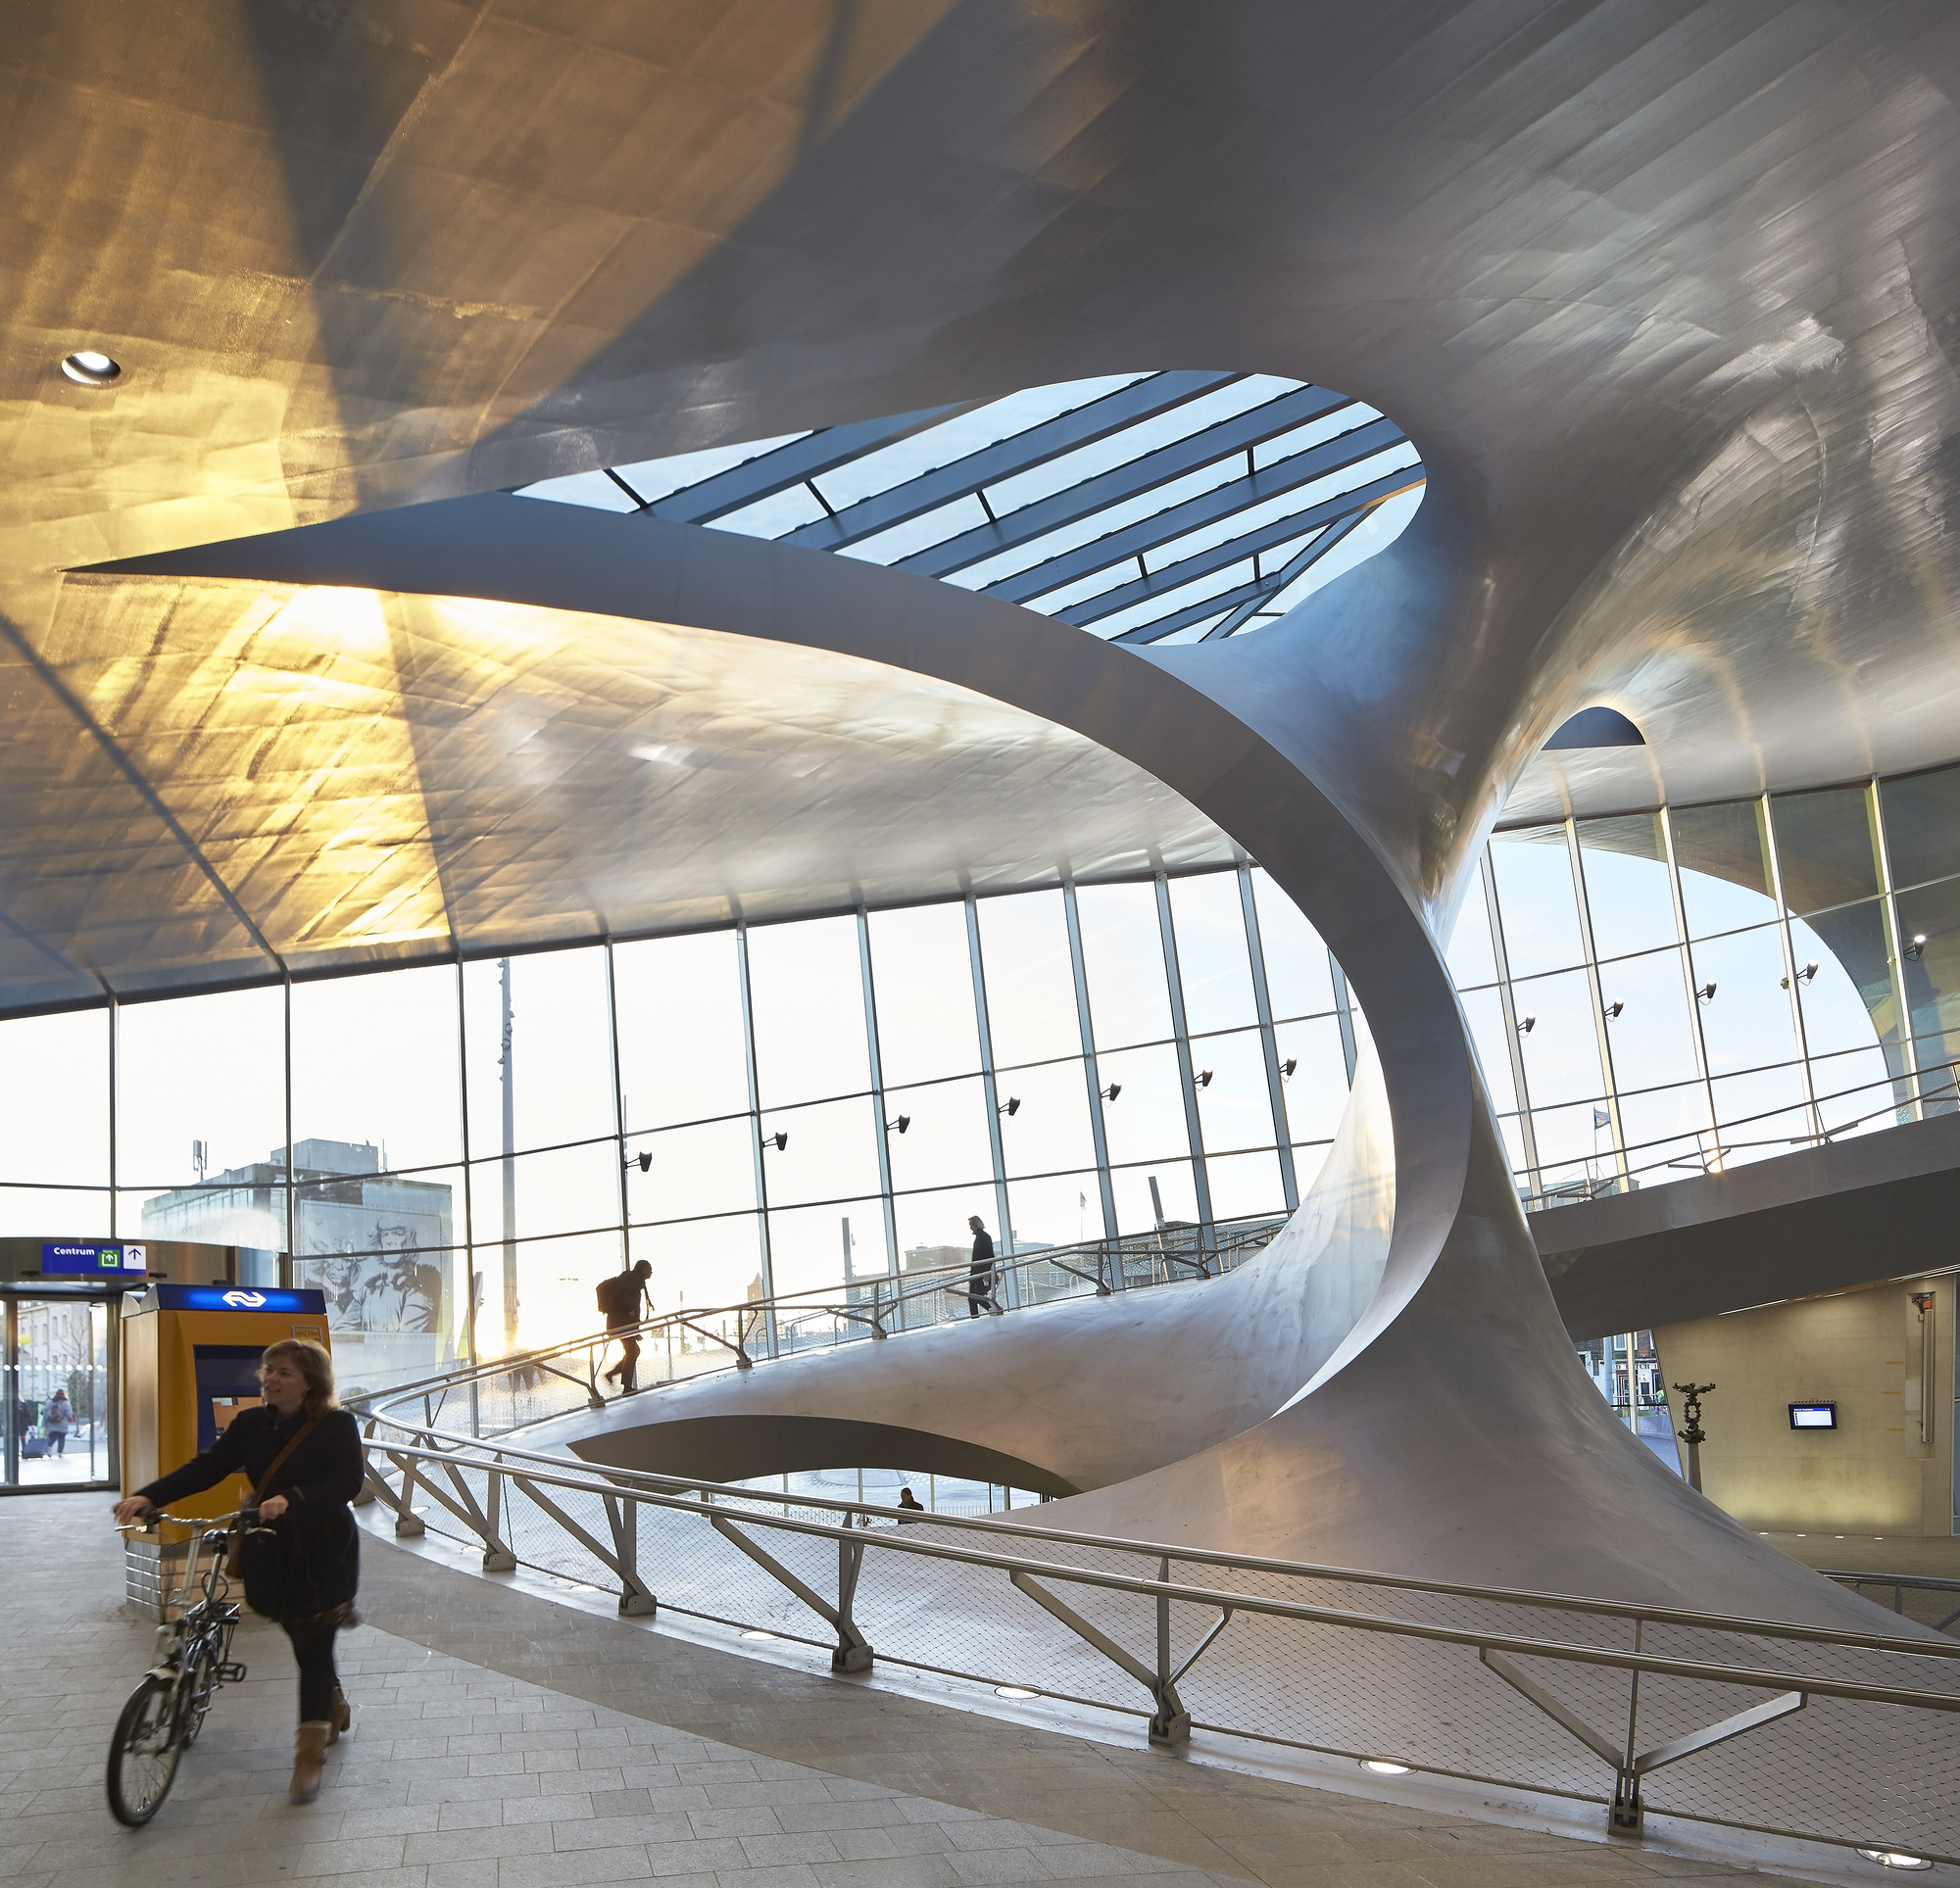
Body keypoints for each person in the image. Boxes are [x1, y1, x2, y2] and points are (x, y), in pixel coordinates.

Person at [113, 1339, 362, 1806]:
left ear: (310, 1381)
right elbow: (207, 1468)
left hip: (324, 1553)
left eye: (284, 1372)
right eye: (268, 1370)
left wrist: (294, 1498)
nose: (271, 1378)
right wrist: (150, 1497)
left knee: (312, 1641)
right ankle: (330, 1696)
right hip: (271, 1547)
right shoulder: (250, 1423)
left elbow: (349, 1483)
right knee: (295, 1628)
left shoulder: (336, 1424)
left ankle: (308, 1756)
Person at [601, 1259, 654, 1391]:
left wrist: (636, 1331)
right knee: (633, 1352)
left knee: (633, 1351)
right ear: (643, 1269)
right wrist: (630, 1308)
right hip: (621, 1325)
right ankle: (625, 1386)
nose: (651, 1272)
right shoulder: (633, 1278)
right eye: (649, 1269)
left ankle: (618, 1379)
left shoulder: (635, 1279)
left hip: (622, 1324)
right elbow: (621, 1293)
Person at [965, 1215, 996, 1318]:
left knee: (975, 1297)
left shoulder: (983, 1237)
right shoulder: (981, 1237)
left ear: (976, 1225)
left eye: (971, 1225)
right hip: (977, 1272)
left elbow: (990, 1256)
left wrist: (987, 1272)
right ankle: (991, 1311)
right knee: (973, 1298)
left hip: (980, 1272)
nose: (970, 1227)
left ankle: (994, 1309)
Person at [43, 1387, 73, 1457]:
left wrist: (45, 1422)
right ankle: (59, 1452)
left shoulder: (50, 1402)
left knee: (52, 1437)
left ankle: (49, 1446)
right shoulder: (66, 1403)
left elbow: (44, 1412)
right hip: (62, 1424)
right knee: (61, 1438)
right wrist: (70, 1419)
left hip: (51, 1424)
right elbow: (69, 1413)